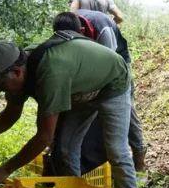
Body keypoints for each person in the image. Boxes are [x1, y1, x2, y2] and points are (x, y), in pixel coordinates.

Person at [0, 37, 137, 188]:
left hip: (113, 83)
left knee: (116, 150)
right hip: (77, 90)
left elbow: (44, 137)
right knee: (66, 149)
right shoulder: (19, 70)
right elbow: (10, 115)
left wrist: (5, 170)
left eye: (0, 84)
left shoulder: (50, 73)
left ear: (17, 72)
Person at [52, 11, 147, 171]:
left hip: (117, 67)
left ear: (81, 32)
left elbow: (108, 68)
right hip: (90, 64)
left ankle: (139, 160)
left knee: (126, 108)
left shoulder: (103, 30)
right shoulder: (66, 28)